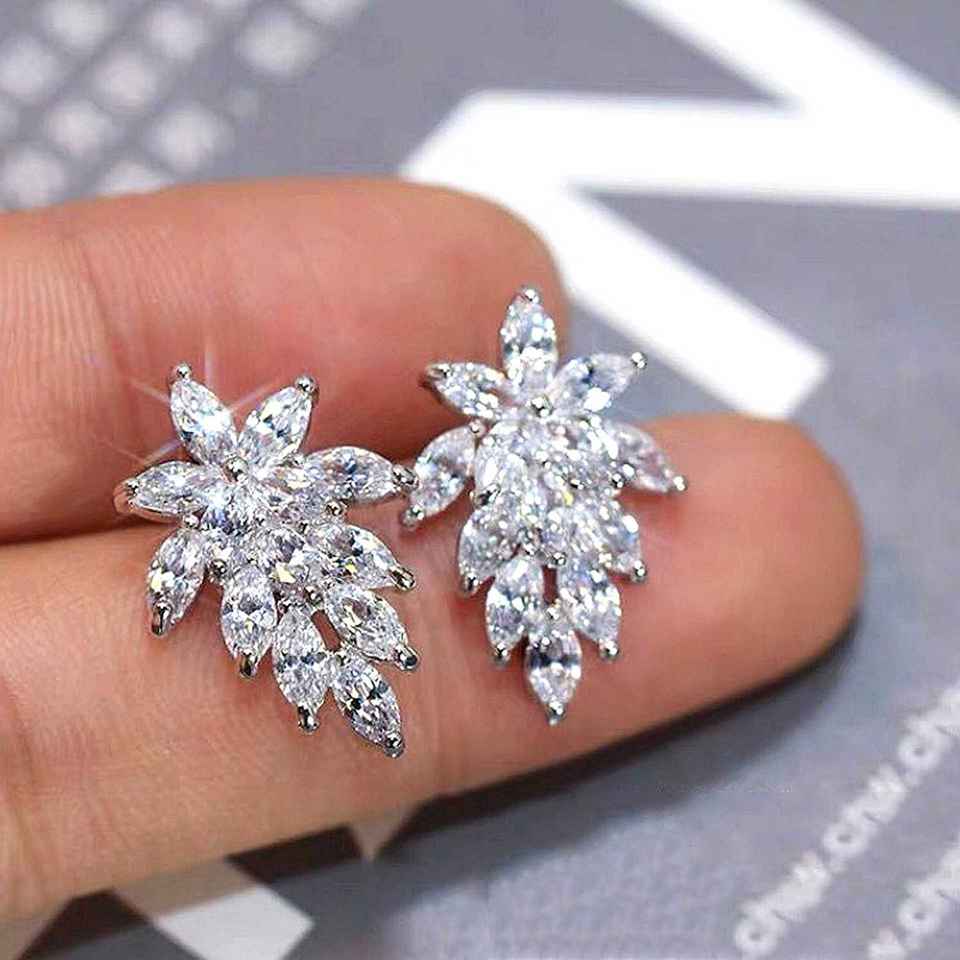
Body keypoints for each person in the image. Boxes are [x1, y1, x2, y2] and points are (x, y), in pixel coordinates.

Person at [0, 178, 863, 920]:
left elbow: (384, 486)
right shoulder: (226, 500)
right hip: (301, 574)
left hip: (462, 535)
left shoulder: (441, 459)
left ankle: (536, 648)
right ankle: (383, 683)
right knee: (341, 640)